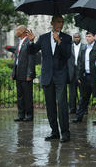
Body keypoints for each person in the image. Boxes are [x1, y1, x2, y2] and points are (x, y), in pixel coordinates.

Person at [26, 15, 72, 143]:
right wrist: (31, 41)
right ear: (52, 23)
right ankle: (55, 132)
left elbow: (67, 55)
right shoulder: (43, 37)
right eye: (58, 21)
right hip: (47, 77)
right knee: (50, 106)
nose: (61, 24)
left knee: (62, 105)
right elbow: (32, 51)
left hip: (61, 76)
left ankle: (65, 133)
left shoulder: (67, 38)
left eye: (62, 22)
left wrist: (59, 42)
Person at [72, 32, 96, 123]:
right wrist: (79, 76)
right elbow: (80, 62)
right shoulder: (84, 48)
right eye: (86, 36)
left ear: (94, 37)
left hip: (95, 76)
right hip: (85, 76)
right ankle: (79, 116)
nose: (87, 38)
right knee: (83, 97)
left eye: (89, 36)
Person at [11, 25, 35, 122]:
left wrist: (30, 74)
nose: (16, 32)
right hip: (18, 72)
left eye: (17, 30)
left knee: (27, 96)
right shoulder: (19, 42)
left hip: (26, 74)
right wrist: (13, 72)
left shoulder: (29, 42)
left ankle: (29, 115)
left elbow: (31, 59)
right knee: (20, 96)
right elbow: (16, 60)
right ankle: (21, 115)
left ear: (23, 31)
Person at [67, 33, 86, 114]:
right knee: (72, 92)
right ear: (73, 38)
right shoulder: (69, 47)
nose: (76, 39)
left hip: (81, 71)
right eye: (74, 37)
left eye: (78, 37)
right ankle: (72, 108)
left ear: (80, 38)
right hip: (71, 71)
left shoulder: (84, 47)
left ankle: (84, 109)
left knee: (83, 91)